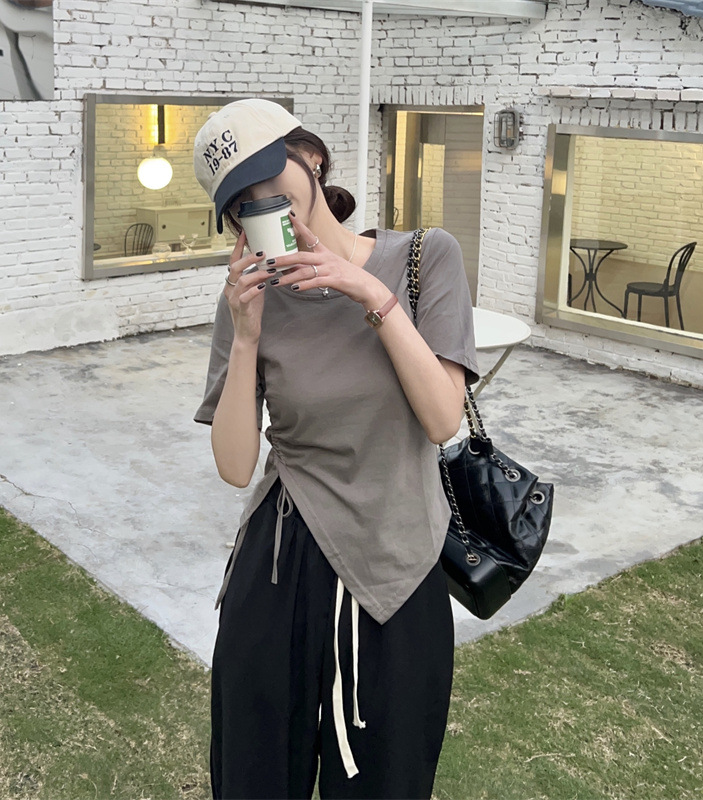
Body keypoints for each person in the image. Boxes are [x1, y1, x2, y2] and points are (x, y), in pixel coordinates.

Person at [193, 98, 479, 800]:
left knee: (388, 780)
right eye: (240, 202)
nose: (261, 203)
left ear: (312, 158)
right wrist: (247, 334)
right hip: (281, 563)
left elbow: (443, 418)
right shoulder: (247, 298)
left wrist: (366, 291)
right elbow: (234, 465)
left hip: (396, 562)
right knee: (257, 778)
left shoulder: (424, 257)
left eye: (269, 176)